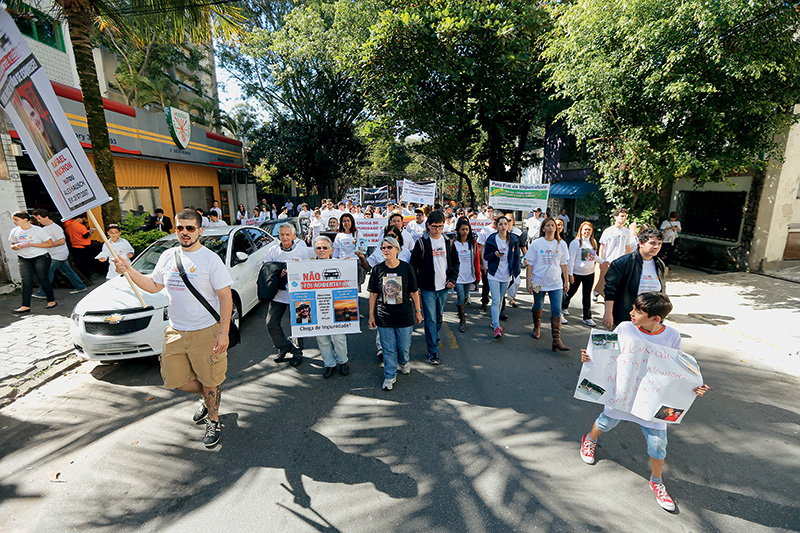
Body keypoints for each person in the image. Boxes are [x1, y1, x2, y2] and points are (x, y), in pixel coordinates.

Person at [579, 292, 710, 511]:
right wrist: (590, 357)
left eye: (638, 311)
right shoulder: (624, 327)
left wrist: (694, 387)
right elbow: (608, 350)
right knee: (605, 423)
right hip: (623, 392)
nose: (631, 313)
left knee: (658, 445)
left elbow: (677, 368)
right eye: (633, 308)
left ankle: (657, 482)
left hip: (652, 398)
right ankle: (589, 440)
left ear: (656, 318)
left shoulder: (672, 337)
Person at [113, 209, 233, 448]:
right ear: (175, 229)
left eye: (190, 228)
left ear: (200, 230)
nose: (185, 233)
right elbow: (154, 285)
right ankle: (208, 398)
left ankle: (213, 419)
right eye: (180, 228)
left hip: (205, 331)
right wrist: (128, 269)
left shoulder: (210, 259)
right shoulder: (168, 255)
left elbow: (225, 298)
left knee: (210, 379)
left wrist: (224, 332)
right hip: (175, 330)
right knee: (174, 379)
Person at [368, 236, 422, 391]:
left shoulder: (406, 268)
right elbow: (373, 294)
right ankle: (390, 375)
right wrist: (371, 315)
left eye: (389, 247)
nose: (386, 250)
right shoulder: (378, 269)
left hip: (404, 315)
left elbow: (414, 291)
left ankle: (404, 362)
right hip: (384, 316)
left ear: (398, 250)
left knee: (404, 346)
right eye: (383, 248)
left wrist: (418, 311)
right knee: (388, 348)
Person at [410, 210, 459, 365]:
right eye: (434, 226)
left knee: (438, 317)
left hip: (443, 287)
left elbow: (456, 263)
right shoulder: (421, 243)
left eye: (440, 226)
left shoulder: (448, 242)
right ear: (428, 225)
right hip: (427, 288)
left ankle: (434, 336)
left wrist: (452, 279)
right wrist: (416, 286)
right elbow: (413, 266)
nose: (437, 229)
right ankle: (433, 351)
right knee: (430, 319)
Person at [262, 223, 314, 366]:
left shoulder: (301, 251)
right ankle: (283, 347)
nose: (284, 237)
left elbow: (308, 270)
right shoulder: (273, 250)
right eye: (282, 234)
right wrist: (278, 270)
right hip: (279, 293)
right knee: (271, 323)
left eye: (287, 234)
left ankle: (297, 352)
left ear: (293, 235)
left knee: (297, 324)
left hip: (297, 294)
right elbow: (266, 268)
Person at [603, 228, 666, 330]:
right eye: (652, 243)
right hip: (625, 317)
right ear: (641, 243)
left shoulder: (659, 264)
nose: (656, 247)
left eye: (659, 243)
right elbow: (610, 291)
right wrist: (608, 313)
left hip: (649, 321)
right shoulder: (623, 263)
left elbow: (661, 291)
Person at [525, 217, 570, 351]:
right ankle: (536, 326)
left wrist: (566, 281)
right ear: (543, 229)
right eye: (548, 226)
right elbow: (530, 264)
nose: (550, 228)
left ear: (556, 228)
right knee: (538, 305)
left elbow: (564, 264)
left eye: (553, 226)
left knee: (556, 309)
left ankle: (556, 339)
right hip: (539, 281)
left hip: (556, 283)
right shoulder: (537, 243)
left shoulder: (561, 244)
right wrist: (528, 281)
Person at [31, 209, 87, 296]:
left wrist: (49, 244)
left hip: (58, 254)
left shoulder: (55, 228)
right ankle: (81, 286)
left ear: (46, 217)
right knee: (67, 271)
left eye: (39, 218)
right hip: (57, 254)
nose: (38, 221)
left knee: (47, 272)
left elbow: (62, 241)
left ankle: (43, 292)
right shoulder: (45, 228)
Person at [9, 211, 56, 313]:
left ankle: (51, 300)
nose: (14, 222)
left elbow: (50, 244)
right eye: (13, 219)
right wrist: (16, 246)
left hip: (40, 256)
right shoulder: (14, 231)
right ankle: (25, 306)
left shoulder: (37, 230)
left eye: (16, 219)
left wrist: (31, 245)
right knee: (26, 281)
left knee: (42, 278)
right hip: (23, 257)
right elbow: (12, 244)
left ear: (25, 220)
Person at [483, 216, 521, 339]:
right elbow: (486, 256)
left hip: (506, 274)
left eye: (505, 223)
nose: (503, 226)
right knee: (495, 299)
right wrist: (495, 254)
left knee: (500, 300)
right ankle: (496, 326)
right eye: (501, 224)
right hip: (494, 273)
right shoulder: (492, 239)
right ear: (497, 226)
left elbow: (516, 257)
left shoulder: (513, 239)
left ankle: (494, 320)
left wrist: (516, 272)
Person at [565, 221, 599, 327]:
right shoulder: (576, 242)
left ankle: (587, 317)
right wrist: (570, 274)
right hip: (577, 273)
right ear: (581, 230)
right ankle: (562, 307)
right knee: (571, 292)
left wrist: (604, 261)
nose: (587, 232)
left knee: (586, 295)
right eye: (585, 229)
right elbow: (571, 259)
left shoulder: (593, 241)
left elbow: (593, 257)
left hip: (589, 273)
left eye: (589, 230)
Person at [596, 208, 632, 299]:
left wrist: (631, 259)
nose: (624, 218)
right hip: (608, 260)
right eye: (622, 216)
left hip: (620, 261)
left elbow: (627, 247)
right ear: (615, 217)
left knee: (617, 280)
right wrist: (601, 260)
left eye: (625, 217)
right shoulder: (608, 231)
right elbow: (602, 246)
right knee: (604, 278)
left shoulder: (626, 231)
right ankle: (596, 292)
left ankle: (611, 297)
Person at [452, 217, 480, 333]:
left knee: (465, 296)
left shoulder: (472, 244)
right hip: (458, 276)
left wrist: (478, 276)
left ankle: (460, 311)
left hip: (469, 275)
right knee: (461, 296)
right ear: (458, 230)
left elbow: (476, 259)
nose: (464, 232)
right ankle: (463, 320)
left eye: (466, 229)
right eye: (462, 229)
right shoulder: (453, 243)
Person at [64, 214, 96, 281]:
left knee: (78, 264)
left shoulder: (68, 225)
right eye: (81, 219)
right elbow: (86, 236)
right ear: (78, 218)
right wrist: (91, 232)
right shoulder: (81, 226)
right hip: (84, 247)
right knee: (86, 263)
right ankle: (87, 277)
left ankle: (81, 277)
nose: (82, 221)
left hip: (75, 246)